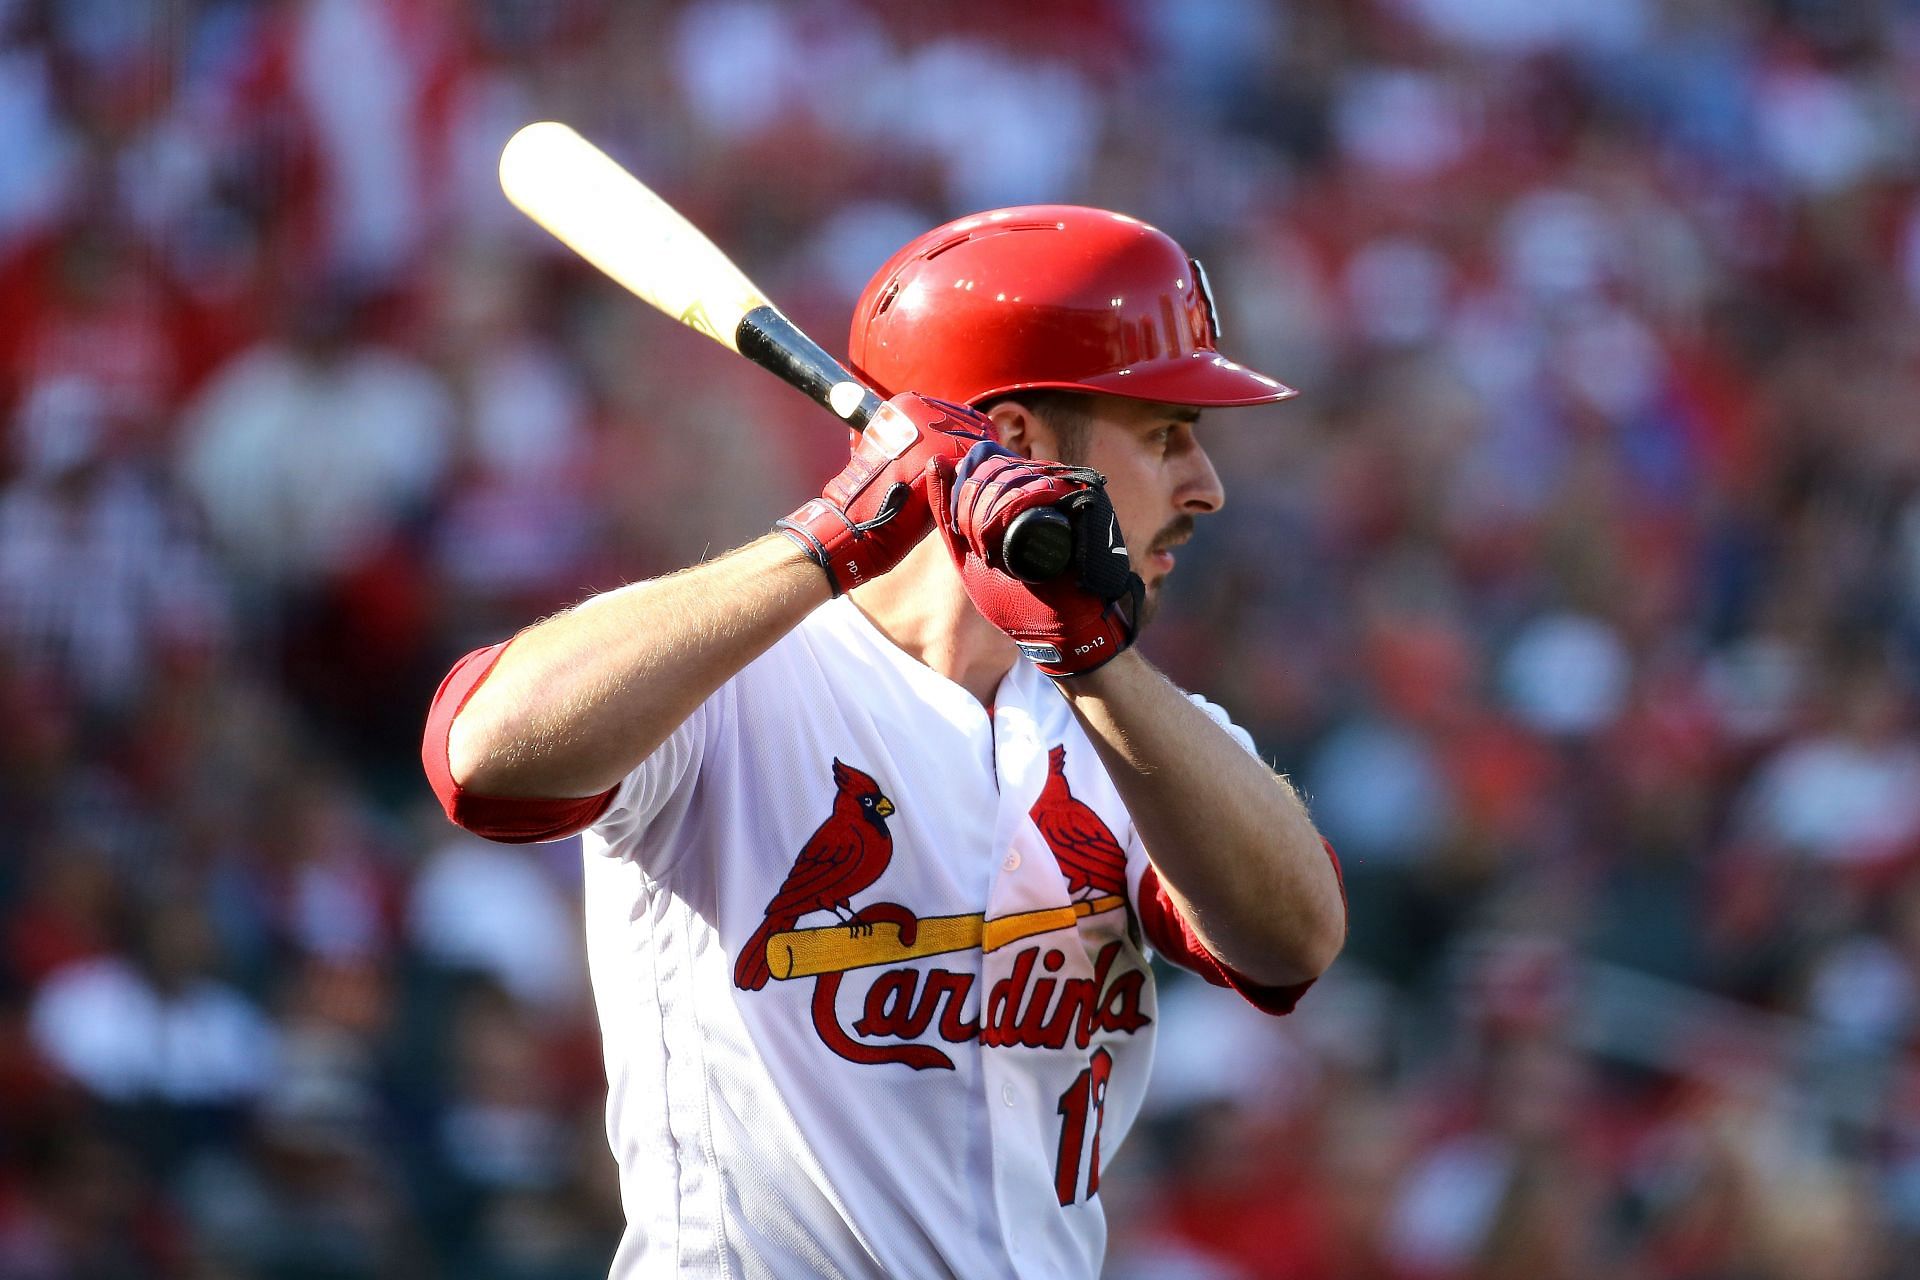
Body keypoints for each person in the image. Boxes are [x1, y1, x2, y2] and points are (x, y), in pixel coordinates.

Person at [423, 205, 1347, 1278]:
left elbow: (1294, 942)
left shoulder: (1129, 719)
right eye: (1163, 434)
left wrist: (1093, 657)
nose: (1206, 486)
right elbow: (482, 758)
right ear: (1016, 440)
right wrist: (820, 541)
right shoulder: (728, 672)